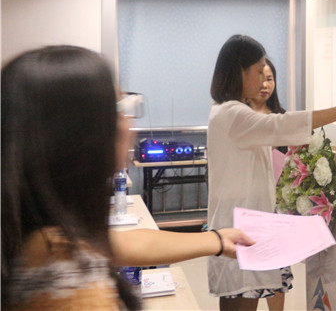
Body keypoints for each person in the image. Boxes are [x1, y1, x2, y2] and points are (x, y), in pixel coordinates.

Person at [1, 45, 254, 311]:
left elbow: (123, 242)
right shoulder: (69, 280)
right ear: (79, 132)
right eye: (120, 108)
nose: (128, 122)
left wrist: (216, 240)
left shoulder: (41, 234)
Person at [207, 34, 336, 311]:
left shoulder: (232, 111)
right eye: (258, 71)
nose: (263, 80)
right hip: (237, 226)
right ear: (240, 72)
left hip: (248, 224)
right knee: (240, 299)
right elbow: (280, 125)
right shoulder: (231, 113)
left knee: (249, 294)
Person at [241, 58, 291, 311]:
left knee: (277, 273)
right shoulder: (239, 117)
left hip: (277, 208)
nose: (265, 85)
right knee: (249, 277)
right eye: (260, 79)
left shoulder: (283, 118)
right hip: (248, 207)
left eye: (270, 79)